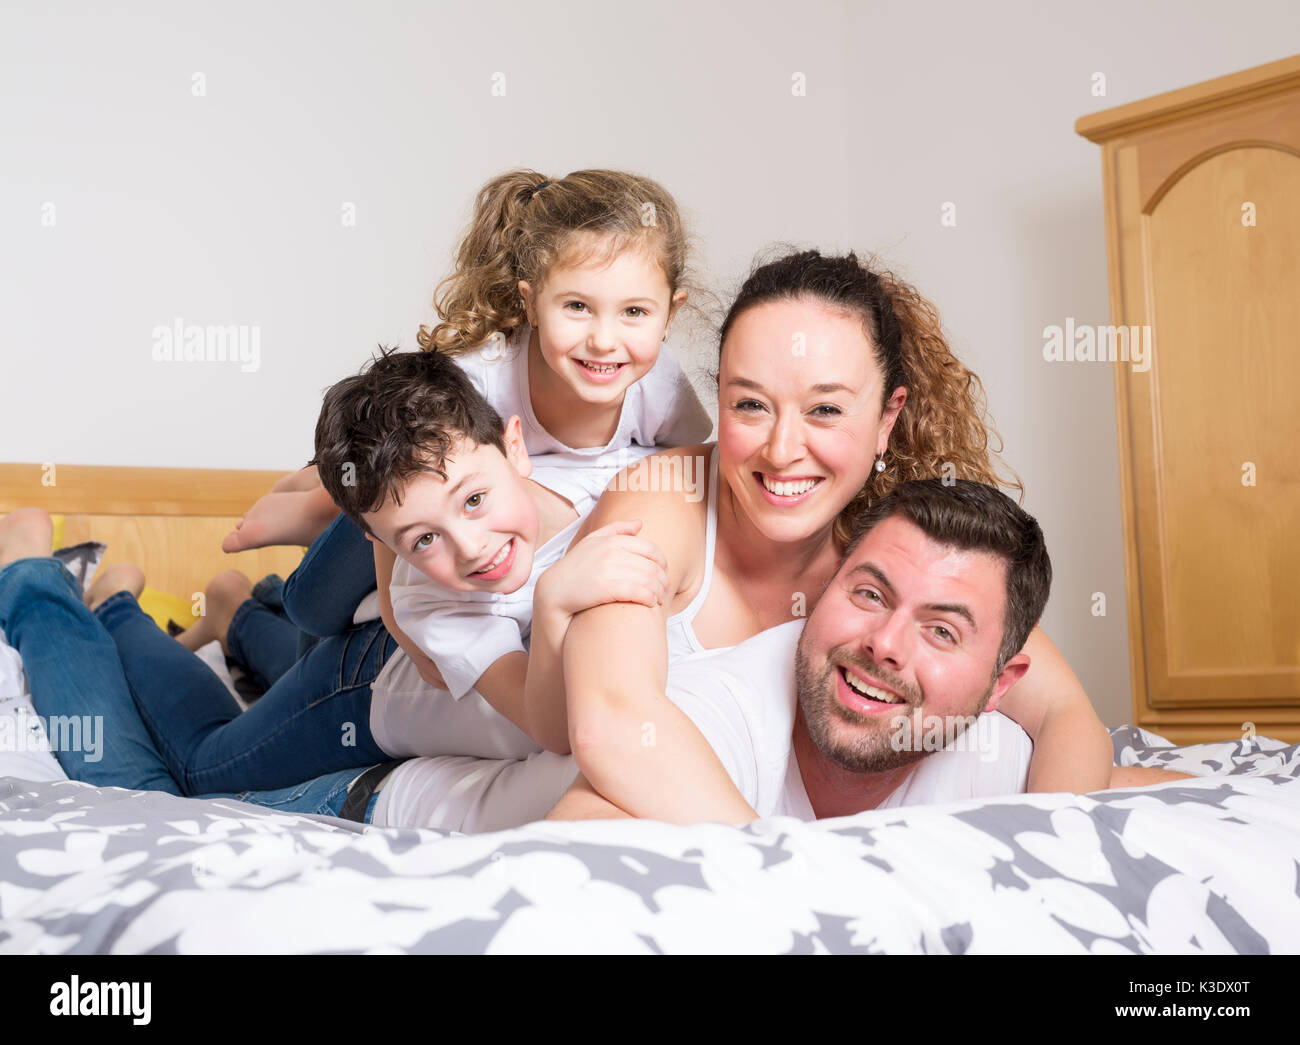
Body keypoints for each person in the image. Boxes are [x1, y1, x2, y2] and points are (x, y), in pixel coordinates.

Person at [548, 248, 1117, 825]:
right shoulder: (665, 502)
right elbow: (611, 726)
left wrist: (1057, 849)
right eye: (750, 405)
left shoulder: (886, 549)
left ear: (887, 419)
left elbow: (1065, 714)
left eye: (824, 410)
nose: (782, 449)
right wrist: (789, 867)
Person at [68, 349, 676, 796]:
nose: (472, 549)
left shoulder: (612, 494)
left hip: (393, 663)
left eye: (473, 500)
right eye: (425, 538)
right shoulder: (432, 606)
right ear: (374, 541)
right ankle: (118, 606)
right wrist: (553, 603)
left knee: (296, 673)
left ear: (516, 447)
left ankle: (234, 611)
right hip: (361, 696)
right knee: (202, 770)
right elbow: (548, 727)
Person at [212, 168, 712, 673]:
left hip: (479, 499)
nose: (605, 340)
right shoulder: (481, 377)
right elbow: (403, 475)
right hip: (416, 485)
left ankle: (248, 595)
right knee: (313, 609)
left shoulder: (663, 390)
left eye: (634, 312)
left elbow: (681, 475)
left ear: (671, 314)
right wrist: (400, 626)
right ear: (531, 302)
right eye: (578, 307)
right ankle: (322, 500)